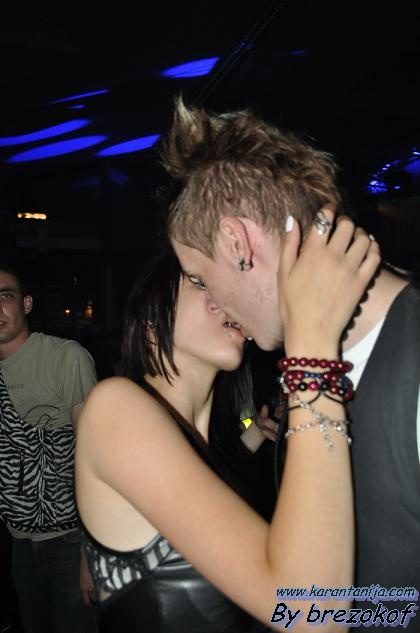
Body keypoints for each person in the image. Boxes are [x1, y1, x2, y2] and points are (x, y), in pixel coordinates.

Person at [163, 98, 419, 629]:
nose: (212, 300)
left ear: (235, 241)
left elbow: (310, 611)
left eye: (199, 277)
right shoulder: (304, 371)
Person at [75, 212, 377, 633]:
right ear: (151, 324)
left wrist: (261, 437)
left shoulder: (205, 444)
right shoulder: (115, 407)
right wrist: (312, 347)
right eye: (199, 283)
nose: (222, 296)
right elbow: (312, 611)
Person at [0, 264, 98, 633]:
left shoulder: (65, 357)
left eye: (5, 295)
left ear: (26, 304)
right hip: (18, 543)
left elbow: (94, 457)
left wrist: (91, 553)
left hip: (70, 541)